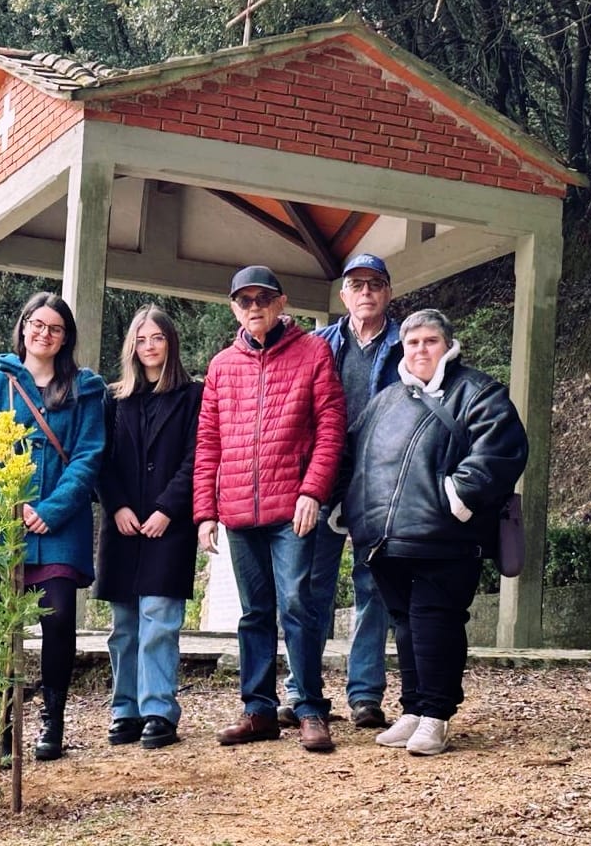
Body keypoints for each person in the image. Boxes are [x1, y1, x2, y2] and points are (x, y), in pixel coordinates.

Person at [340, 309, 528, 756]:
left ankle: (437, 715)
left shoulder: (479, 392)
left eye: (430, 341)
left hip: (446, 534)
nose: (421, 350)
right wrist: (354, 511)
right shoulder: (384, 400)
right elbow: (354, 457)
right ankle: (413, 708)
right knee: (405, 623)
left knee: (435, 621)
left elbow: (499, 450)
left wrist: (455, 498)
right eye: (413, 343)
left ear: (448, 345)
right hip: (386, 538)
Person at [194, 265, 346, 753]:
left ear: (282, 303)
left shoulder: (313, 351)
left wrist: (313, 491)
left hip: (292, 508)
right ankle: (257, 710)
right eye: (244, 300)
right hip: (238, 509)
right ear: (233, 308)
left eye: (263, 298)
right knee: (254, 612)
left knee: (298, 606)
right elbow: (208, 441)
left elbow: (330, 426)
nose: (253, 307)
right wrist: (205, 511)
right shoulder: (221, 365)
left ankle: (309, 709)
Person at [0, 292, 106, 761]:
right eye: (37, 324)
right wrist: (12, 499)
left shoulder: (84, 388)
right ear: (23, 327)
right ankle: (1, 723)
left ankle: (52, 721)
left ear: (66, 338)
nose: (44, 334)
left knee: (58, 618)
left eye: (55, 328)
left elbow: (88, 454)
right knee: (2, 624)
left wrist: (54, 507)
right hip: (4, 518)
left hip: (60, 524)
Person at [280, 253, 402, 730]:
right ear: (344, 295)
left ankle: (365, 693)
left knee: (374, 586)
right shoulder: (317, 344)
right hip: (322, 478)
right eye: (357, 284)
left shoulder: (403, 343)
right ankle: (301, 689)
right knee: (310, 586)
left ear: (387, 292)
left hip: (382, 481)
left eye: (375, 283)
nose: (366, 292)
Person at [95, 306, 203, 750]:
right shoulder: (113, 398)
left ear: (170, 343)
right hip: (122, 527)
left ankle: (158, 708)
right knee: (124, 626)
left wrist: (166, 509)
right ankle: (126, 710)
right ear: (131, 347)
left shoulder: (192, 395)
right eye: (141, 339)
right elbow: (98, 458)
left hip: (168, 526)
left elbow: (197, 458)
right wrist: (116, 505)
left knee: (160, 619)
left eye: (157, 337)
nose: (149, 346)